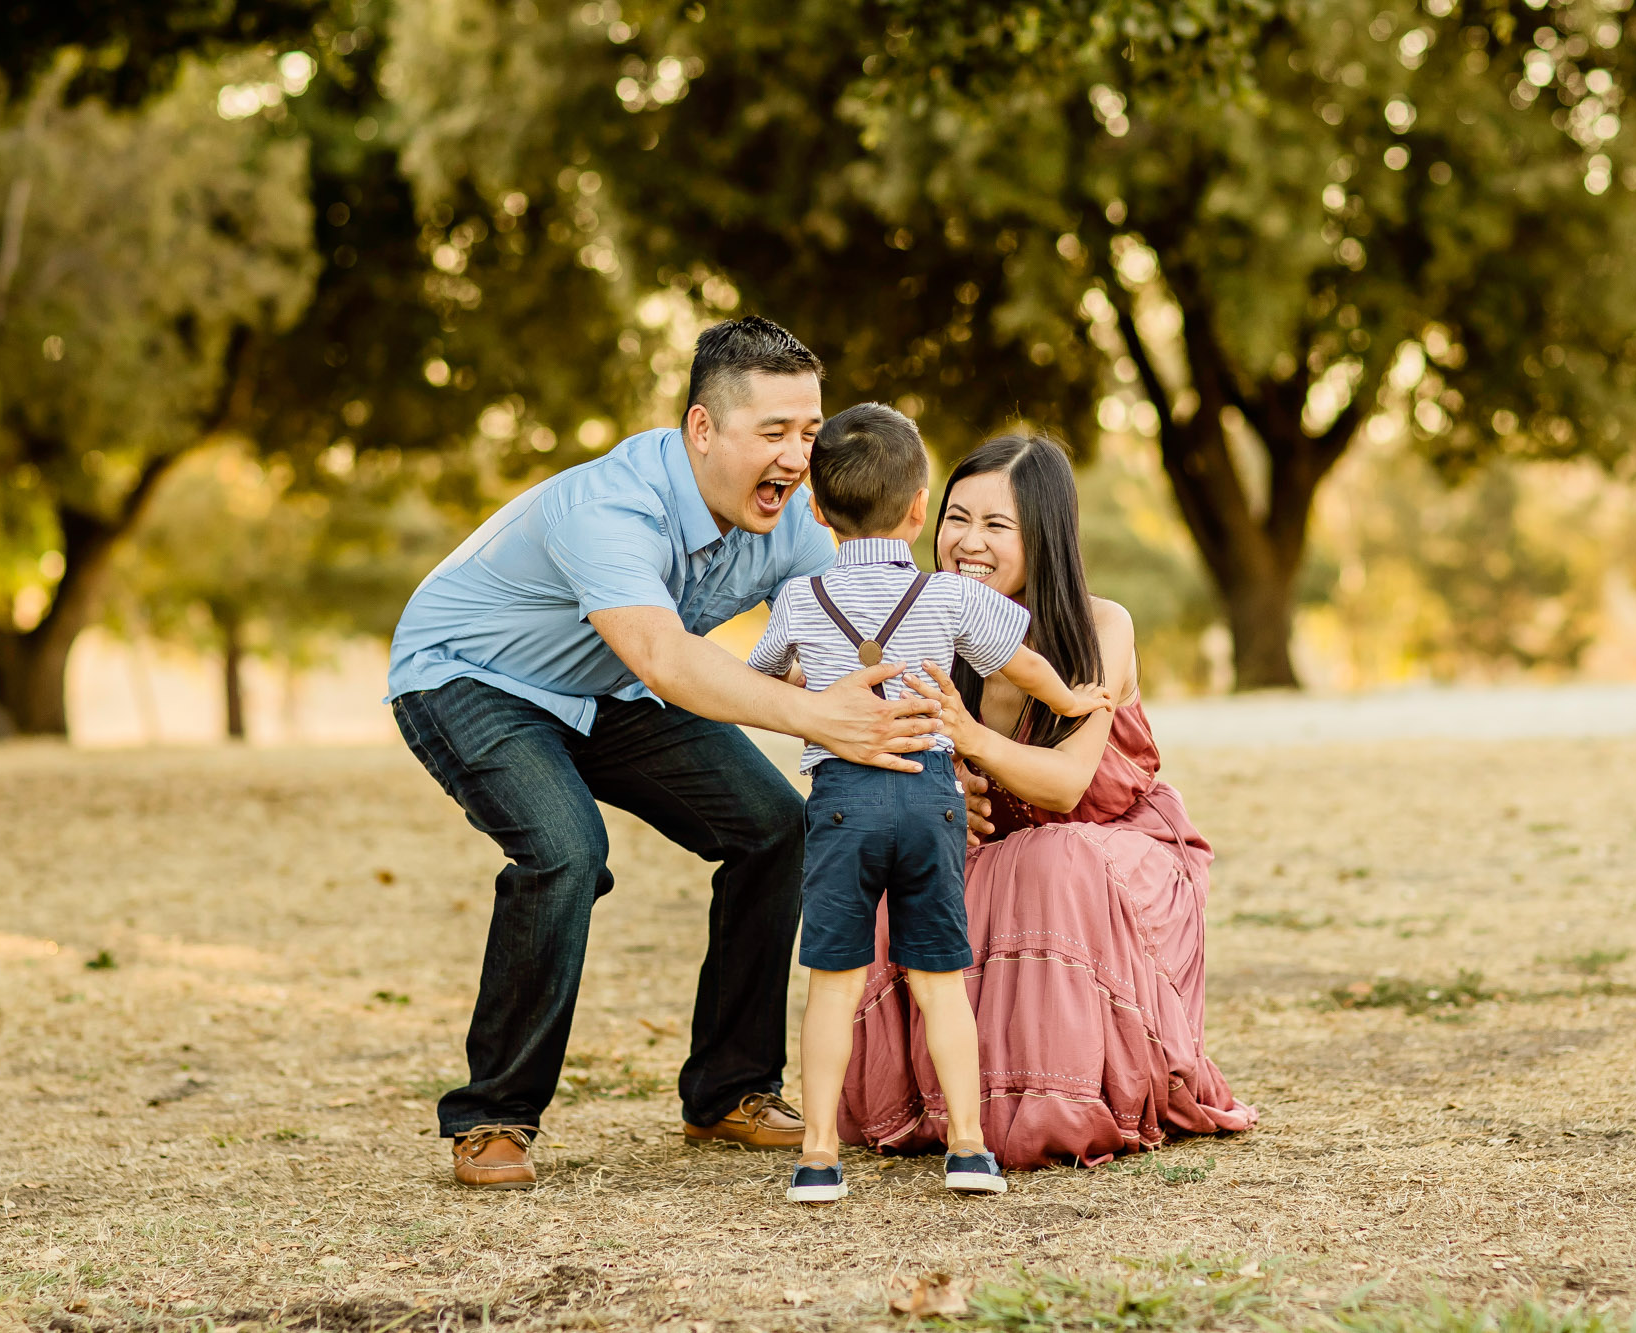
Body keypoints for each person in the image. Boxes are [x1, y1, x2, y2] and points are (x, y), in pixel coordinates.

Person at [387, 318, 953, 1190]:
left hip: (607, 688)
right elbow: (663, 656)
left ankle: (729, 1090)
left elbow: (845, 645)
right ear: (702, 428)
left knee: (774, 826)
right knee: (565, 852)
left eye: (808, 432)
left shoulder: (790, 524)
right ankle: (493, 1113)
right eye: (773, 433)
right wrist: (817, 718)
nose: (799, 458)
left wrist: (937, 763)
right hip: (471, 677)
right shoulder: (608, 505)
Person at [839, 433, 1258, 1169]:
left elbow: (1067, 784)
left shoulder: (1103, 626)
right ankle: (948, 1103)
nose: (967, 543)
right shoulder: (927, 624)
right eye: (956, 518)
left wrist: (971, 737)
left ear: (1045, 537)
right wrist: (943, 795)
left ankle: (1056, 1099)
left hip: (1115, 859)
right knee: (898, 866)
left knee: (1053, 858)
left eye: (996, 526)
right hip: (1000, 856)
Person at [744, 404, 1109, 1204]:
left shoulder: (801, 598)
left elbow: (761, 678)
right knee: (941, 980)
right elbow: (1027, 662)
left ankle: (815, 1158)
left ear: (814, 507)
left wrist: (814, 685)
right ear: (919, 509)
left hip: (841, 802)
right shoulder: (948, 597)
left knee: (834, 982)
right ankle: (971, 1149)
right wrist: (1075, 699)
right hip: (932, 800)